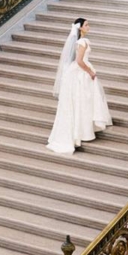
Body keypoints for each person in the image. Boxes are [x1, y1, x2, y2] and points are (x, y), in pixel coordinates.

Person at [47, 17, 112, 156]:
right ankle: (83, 131)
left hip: (74, 73)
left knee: (80, 102)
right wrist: (90, 72)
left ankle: (80, 130)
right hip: (81, 73)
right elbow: (79, 61)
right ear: (81, 27)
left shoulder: (77, 41)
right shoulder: (83, 42)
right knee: (85, 101)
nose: (89, 27)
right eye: (87, 25)